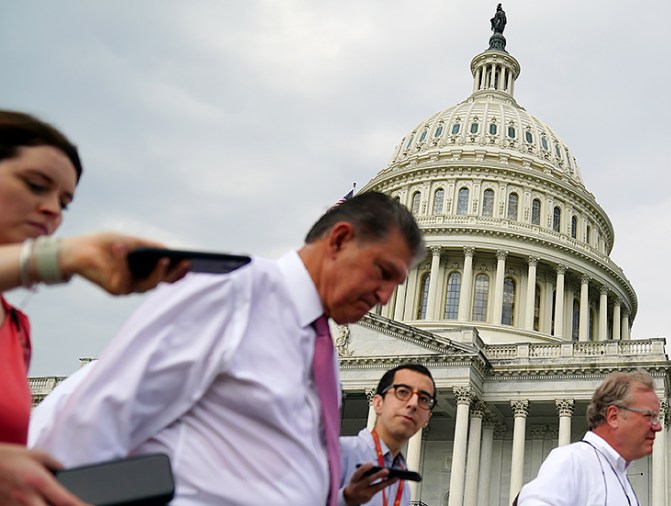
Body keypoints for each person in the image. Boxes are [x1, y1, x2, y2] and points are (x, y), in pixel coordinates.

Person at [31, 191, 425, 505]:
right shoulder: (232, 293)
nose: (387, 297)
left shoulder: (317, 345)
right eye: (383, 272)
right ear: (339, 240)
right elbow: (90, 425)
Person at [1, 110, 188, 506]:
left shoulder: (16, 327)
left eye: (65, 202)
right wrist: (60, 257)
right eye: (36, 186)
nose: (53, 209)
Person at [516, 370, 662, 506]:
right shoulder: (572, 460)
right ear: (613, 416)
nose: (658, 427)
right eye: (649, 416)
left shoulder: (620, 478)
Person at [339, 364, 435, 506]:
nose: (413, 404)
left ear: (427, 418)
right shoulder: (338, 452)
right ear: (378, 403)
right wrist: (345, 499)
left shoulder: (403, 482)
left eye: (424, 399)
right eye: (402, 392)